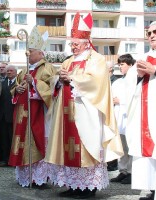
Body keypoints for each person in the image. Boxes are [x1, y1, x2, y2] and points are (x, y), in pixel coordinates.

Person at [45, 12, 123, 199]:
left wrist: (71, 78)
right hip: (66, 114)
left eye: (76, 44)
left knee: (86, 148)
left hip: (86, 113)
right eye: (72, 44)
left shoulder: (96, 60)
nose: (73, 47)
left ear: (86, 43)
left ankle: (89, 188)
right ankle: (74, 185)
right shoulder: (68, 61)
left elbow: (97, 83)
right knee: (68, 148)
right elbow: (57, 80)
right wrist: (58, 79)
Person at [8, 26, 56, 187]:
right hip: (23, 115)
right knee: (23, 143)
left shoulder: (48, 68)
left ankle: (40, 178)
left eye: (31, 51)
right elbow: (15, 88)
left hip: (40, 114)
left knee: (38, 142)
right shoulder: (24, 71)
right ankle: (26, 177)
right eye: (27, 51)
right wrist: (17, 89)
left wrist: (34, 83)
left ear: (41, 53)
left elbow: (53, 89)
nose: (27, 54)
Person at [125, 21, 156, 200]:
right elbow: (128, 84)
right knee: (147, 153)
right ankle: (152, 189)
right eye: (148, 32)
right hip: (145, 112)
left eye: (154, 31)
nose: (151, 35)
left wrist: (155, 70)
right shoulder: (144, 56)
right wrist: (138, 76)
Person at [110, 54, 137, 185]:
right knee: (121, 147)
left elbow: (135, 98)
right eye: (119, 64)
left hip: (129, 118)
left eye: (123, 64)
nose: (120, 67)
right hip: (118, 117)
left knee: (130, 146)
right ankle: (123, 170)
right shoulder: (118, 81)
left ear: (131, 65)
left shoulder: (135, 80)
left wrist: (121, 101)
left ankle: (131, 172)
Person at [0, 65, 17, 167]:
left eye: (11, 71)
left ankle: (14, 160)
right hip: (3, 116)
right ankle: (6, 160)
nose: (9, 72)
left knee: (13, 139)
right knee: (4, 139)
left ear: (15, 72)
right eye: (8, 71)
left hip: (14, 116)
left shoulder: (19, 83)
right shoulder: (2, 83)